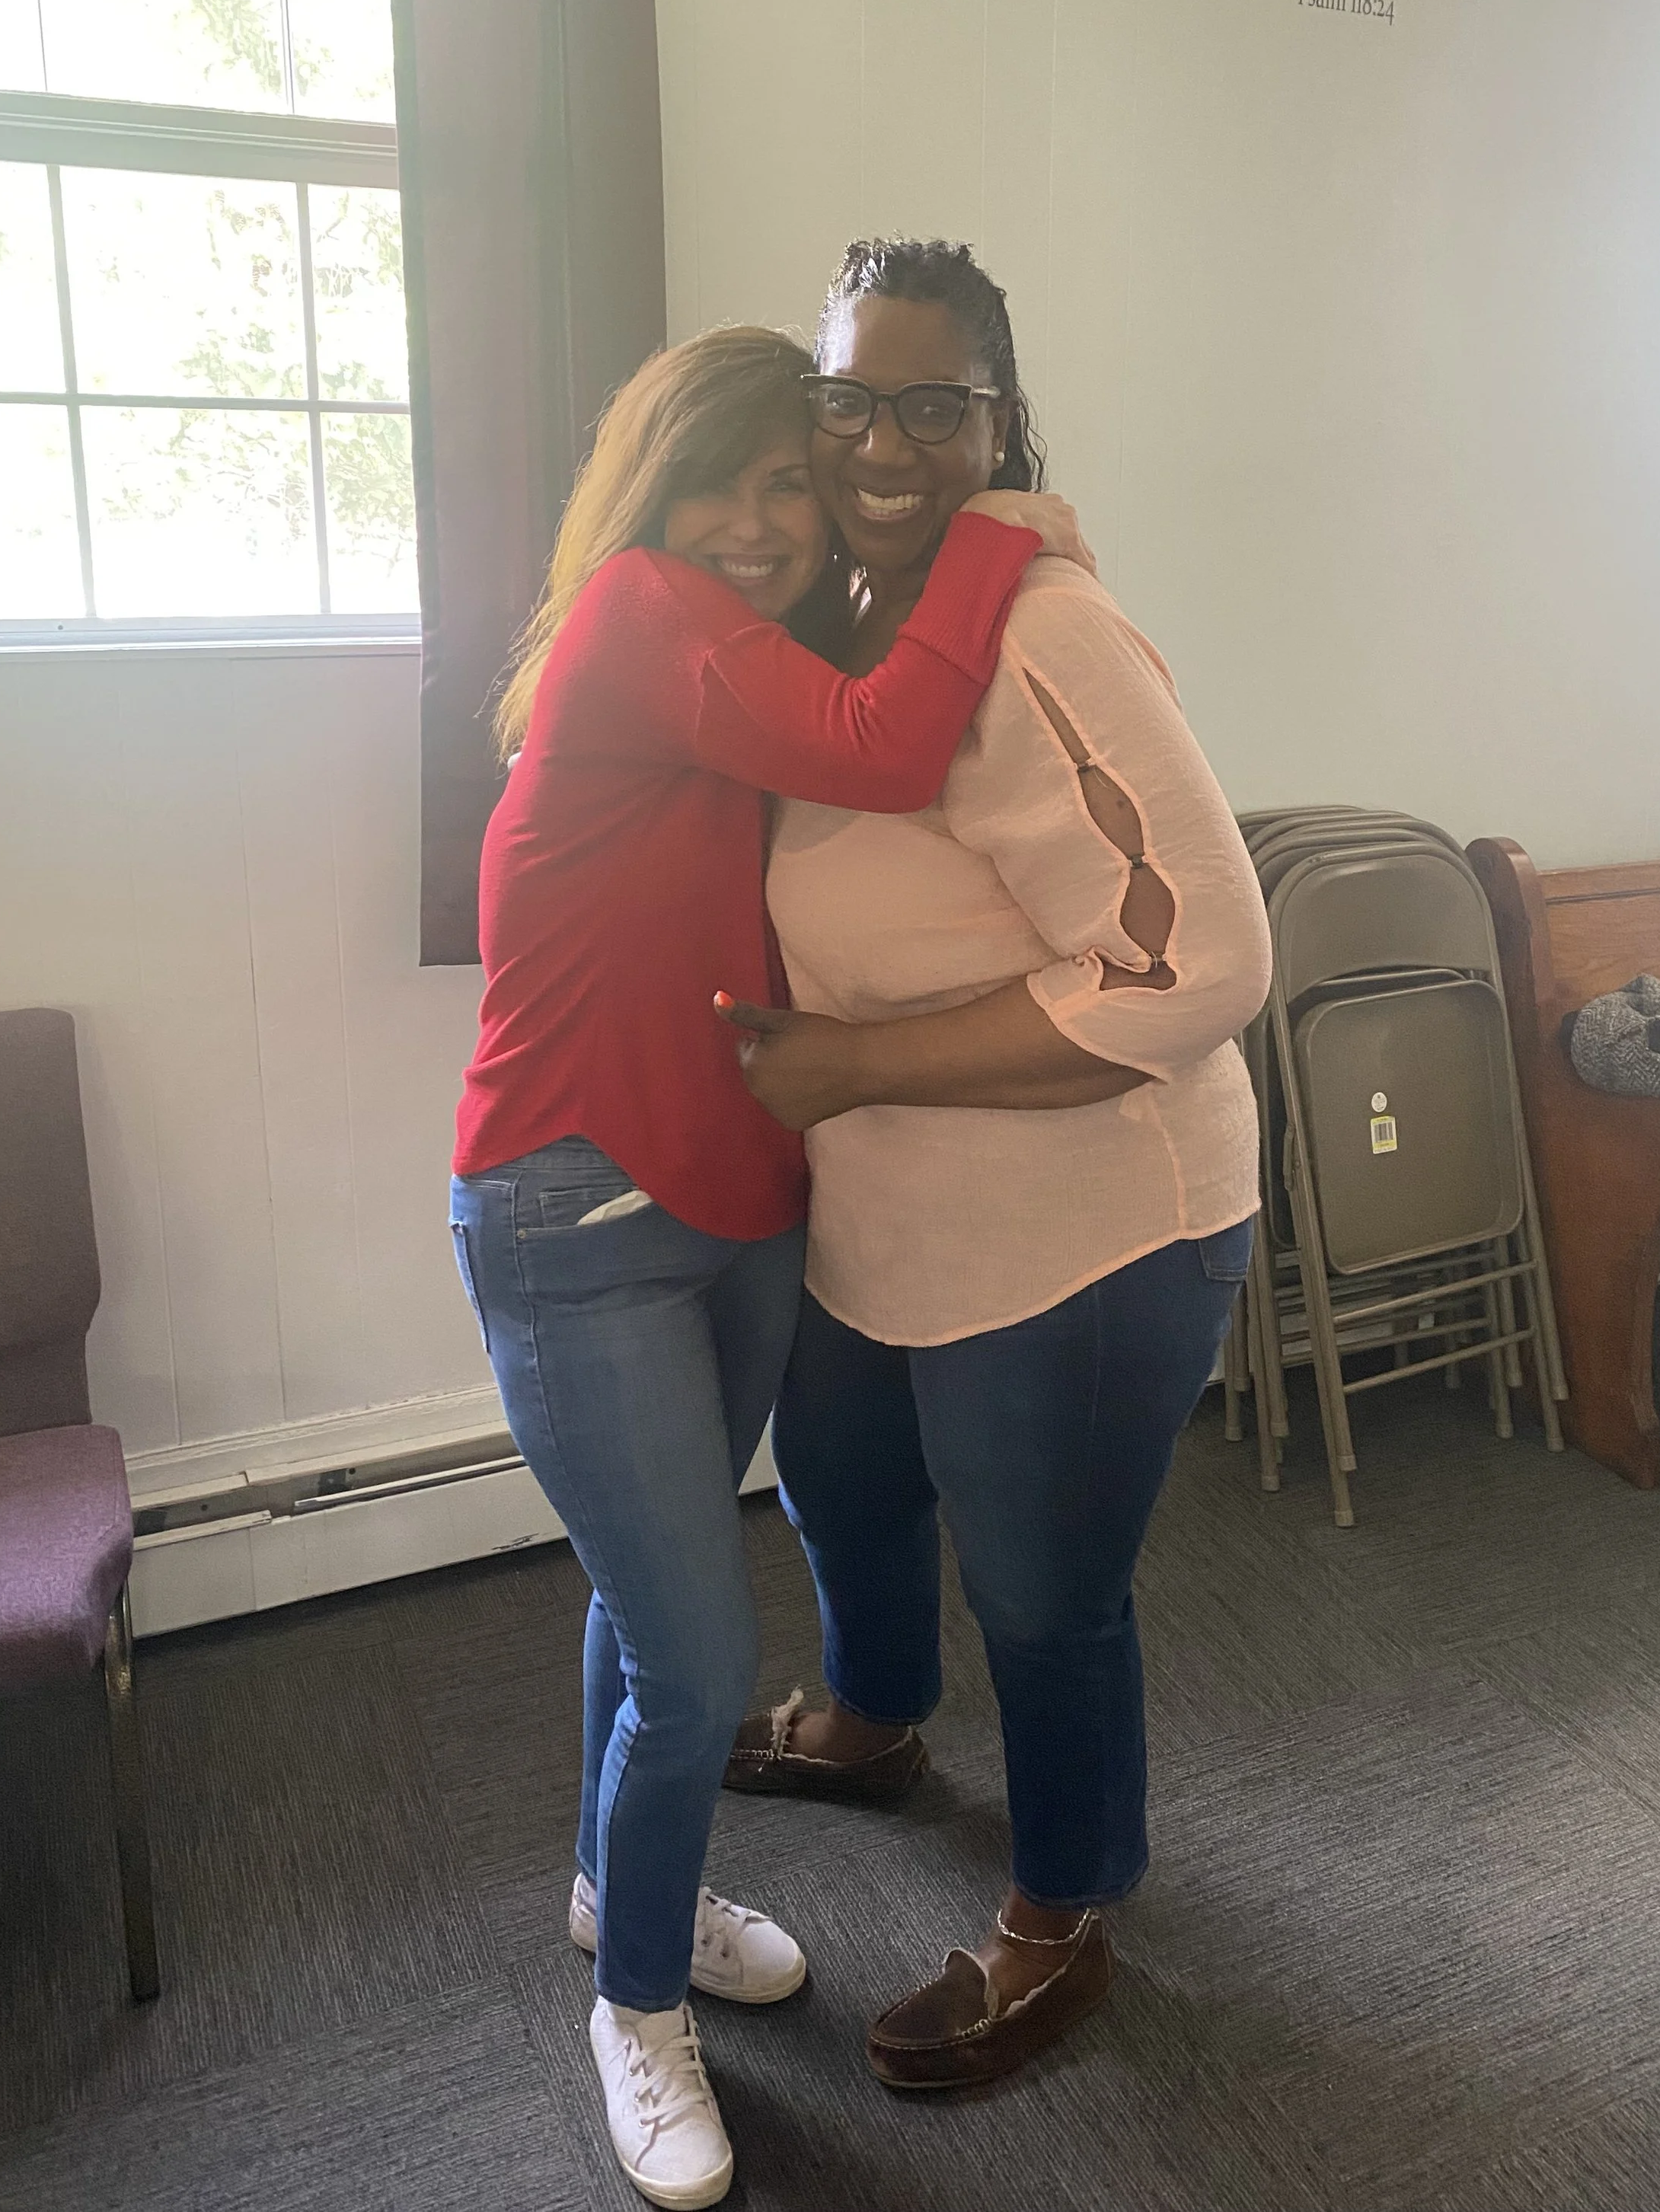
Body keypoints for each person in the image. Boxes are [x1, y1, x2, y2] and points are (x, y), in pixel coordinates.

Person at [448, 324, 1074, 2207]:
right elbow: (888, 745)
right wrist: (1001, 523)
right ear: (649, 494)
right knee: (701, 1654)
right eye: (717, 478)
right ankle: (635, 2009)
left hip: (732, 1203)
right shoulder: (641, 614)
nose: (756, 516)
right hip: (575, 1211)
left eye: (785, 482)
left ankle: (609, 1885)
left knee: (645, 1609)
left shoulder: (745, 655)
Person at [717, 241, 1272, 2090]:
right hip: (876, 1207)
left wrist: (850, 1063)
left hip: (1089, 1223)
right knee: (845, 1482)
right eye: (846, 399)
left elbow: (1205, 962)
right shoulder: (846, 612)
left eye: (929, 405)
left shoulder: (1044, 634)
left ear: (997, 421)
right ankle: (876, 1715)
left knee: (1042, 1591)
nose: (881, 443)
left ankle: (1062, 1905)